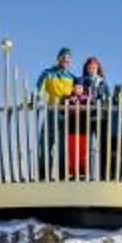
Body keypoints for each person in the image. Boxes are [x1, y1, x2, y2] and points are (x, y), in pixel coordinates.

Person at [37, 47, 80, 178]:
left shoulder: (72, 78)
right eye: (63, 58)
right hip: (51, 111)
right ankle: (44, 173)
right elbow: (38, 88)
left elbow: (78, 94)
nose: (66, 61)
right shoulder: (47, 73)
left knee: (62, 145)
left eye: (68, 59)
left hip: (66, 114)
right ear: (58, 59)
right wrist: (34, 98)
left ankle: (62, 174)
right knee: (45, 143)